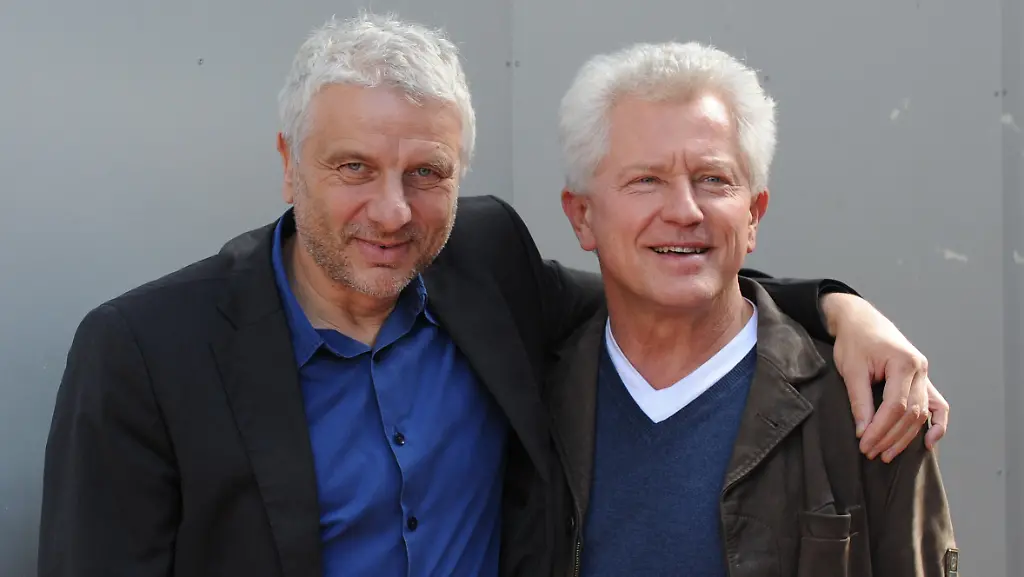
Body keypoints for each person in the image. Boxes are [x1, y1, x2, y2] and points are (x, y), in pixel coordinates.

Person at [38, 13, 949, 577]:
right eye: (353, 167)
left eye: (426, 172)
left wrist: (838, 310)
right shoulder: (144, 353)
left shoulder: (487, 270)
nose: (392, 211)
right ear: (288, 164)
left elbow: (662, 282)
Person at [548, 41, 956, 577]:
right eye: (646, 180)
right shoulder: (530, 399)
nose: (685, 211)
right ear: (582, 216)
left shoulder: (871, 411)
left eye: (712, 179)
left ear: (753, 215)